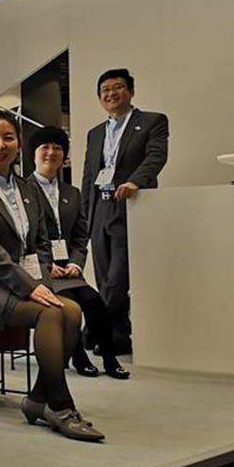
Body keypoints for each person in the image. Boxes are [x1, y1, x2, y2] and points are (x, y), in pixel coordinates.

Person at [0, 110, 104, 442]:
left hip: (25, 280)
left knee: (72, 310)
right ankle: (60, 406)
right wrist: (30, 287)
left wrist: (41, 283)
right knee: (51, 313)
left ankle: (36, 399)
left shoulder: (27, 188)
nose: (1, 145)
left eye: (9, 138)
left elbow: (41, 243)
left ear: (19, 145)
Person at [26, 126, 129, 380]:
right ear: (33, 154)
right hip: (40, 269)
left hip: (69, 269)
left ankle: (109, 358)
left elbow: (82, 234)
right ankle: (78, 356)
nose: (51, 153)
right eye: (45, 147)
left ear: (64, 156)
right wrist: (46, 265)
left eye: (57, 148)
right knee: (69, 305)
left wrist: (76, 263)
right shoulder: (22, 190)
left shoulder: (72, 193)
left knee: (95, 302)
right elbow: (23, 236)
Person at [81, 69, 169, 355]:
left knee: (118, 279)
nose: (111, 94)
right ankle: (118, 335)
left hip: (130, 205)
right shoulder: (95, 133)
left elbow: (156, 155)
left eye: (117, 87)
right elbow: (88, 175)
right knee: (104, 276)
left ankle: (94, 330)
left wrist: (136, 181)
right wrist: (84, 217)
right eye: (105, 90)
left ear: (131, 91)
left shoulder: (152, 121)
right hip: (99, 207)